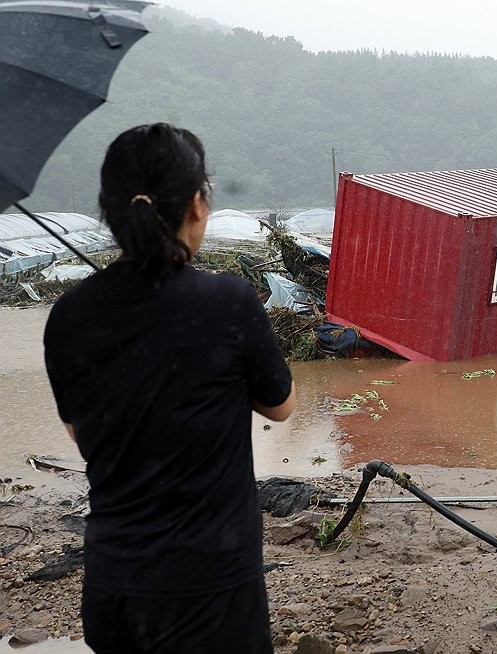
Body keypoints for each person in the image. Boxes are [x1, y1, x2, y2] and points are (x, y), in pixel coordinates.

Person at [43, 123, 296, 653]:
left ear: (108, 211)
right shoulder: (228, 302)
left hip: (114, 585)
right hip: (210, 588)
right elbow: (281, 405)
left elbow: (78, 430)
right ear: (199, 205)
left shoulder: (68, 316)